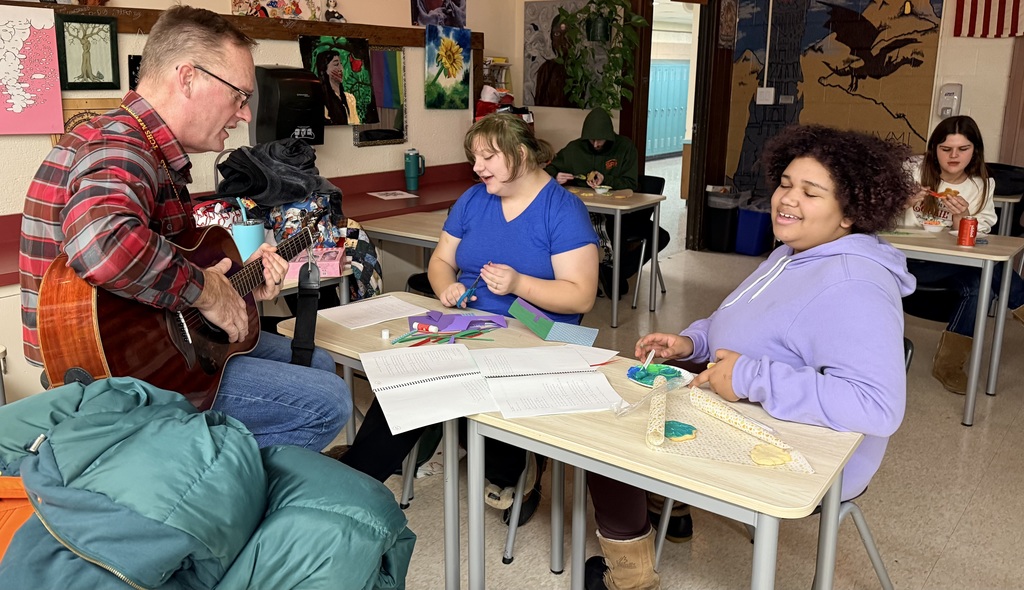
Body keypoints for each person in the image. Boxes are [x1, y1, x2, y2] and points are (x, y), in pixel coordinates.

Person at [584, 124, 916, 590]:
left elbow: (877, 407)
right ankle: (669, 506)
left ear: (849, 213)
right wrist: (691, 343)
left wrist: (751, 377)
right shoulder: (793, 251)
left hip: (801, 449)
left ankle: (630, 573)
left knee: (611, 441)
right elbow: (738, 322)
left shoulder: (853, 283)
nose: (787, 199)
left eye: (810, 192)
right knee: (624, 395)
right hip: (746, 404)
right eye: (785, 184)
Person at [19, 6, 350, 451]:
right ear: (188, 77)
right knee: (327, 401)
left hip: (157, 347)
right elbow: (103, 243)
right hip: (117, 378)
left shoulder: (140, 145)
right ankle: (217, 499)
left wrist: (236, 283)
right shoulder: (122, 147)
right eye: (239, 95)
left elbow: (169, 271)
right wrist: (208, 292)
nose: (245, 116)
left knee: (318, 363)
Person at [335, 113, 599, 522]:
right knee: (409, 375)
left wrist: (518, 284)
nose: (477, 168)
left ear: (522, 154)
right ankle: (352, 483)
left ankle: (515, 471)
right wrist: (445, 287)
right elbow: (441, 260)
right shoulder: (475, 200)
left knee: (487, 393)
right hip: (472, 326)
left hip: (538, 336)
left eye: (488, 157)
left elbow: (580, 296)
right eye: (474, 157)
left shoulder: (563, 210)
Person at [902, 115, 1024, 394]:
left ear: (975, 151)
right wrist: (903, 202)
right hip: (909, 260)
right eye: (946, 149)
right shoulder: (912, 170)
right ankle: (1020, 302)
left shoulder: (981, 185)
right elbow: (879, 218)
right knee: (990, 271)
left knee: (980, 282)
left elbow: (977, 236)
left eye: (963, 149)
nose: (953, 156)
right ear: (934, 149)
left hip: (952, 263)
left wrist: (963, 217)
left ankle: (949, 364)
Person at [545, 108, 669, 298]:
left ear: (609, 137)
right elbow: (549, 170)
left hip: (621, 215)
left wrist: (606, 179)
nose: (595, 144)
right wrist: (555, 175)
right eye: (591, 140)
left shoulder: (625, 148)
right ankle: (608, 273)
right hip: (585, 214)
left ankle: (614, 271)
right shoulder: (574, 149)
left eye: (600, 140)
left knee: (660, 236)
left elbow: (631, 184)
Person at [533, 12, 572, 108]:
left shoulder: (578, 71)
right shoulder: (546, 69)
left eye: (566, 34)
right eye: (557, 34)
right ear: (552, 38)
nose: (562, 39)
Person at [315, 48, 361, 125]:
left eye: (341, 64)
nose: (341, 69)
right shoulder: (321, 100)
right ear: (325, 70)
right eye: (336, 64)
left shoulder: (350, 98)